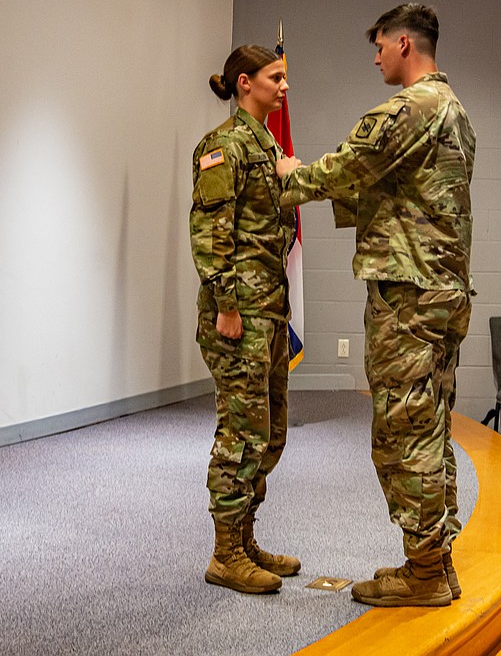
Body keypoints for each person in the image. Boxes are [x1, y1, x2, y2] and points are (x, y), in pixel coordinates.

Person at [276, 3, 475, 607]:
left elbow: (349, 167)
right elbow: (402, 191)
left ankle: (424, 576)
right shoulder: (455, 110)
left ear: (406, 43)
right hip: (441, 291)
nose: (377, 56)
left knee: (403, 429)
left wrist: (292, 175)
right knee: (430, 424)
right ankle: (434, 559)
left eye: (382, 45)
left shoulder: (409, 107)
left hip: (408, 297)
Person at [190, 45, 302, 594]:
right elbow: (213, 236)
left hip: (270, 312)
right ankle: (225, 553)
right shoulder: (222, 148)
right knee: (240, 433)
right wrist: (228, 305)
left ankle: (244, 536)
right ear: (243, 83)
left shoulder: (267, 146)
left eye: (284, 78)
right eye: (274, 77)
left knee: (270, 432)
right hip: (240, 315)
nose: (283, 87)